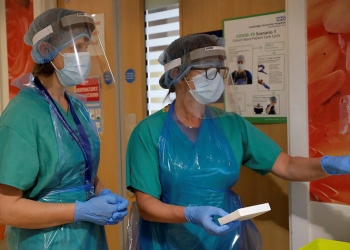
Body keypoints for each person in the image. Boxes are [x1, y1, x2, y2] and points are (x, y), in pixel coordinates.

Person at [125, 33, 350, 250]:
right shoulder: (148, 132)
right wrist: (191, 214)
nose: (215, 77)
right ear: (177, 73)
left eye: (219, 70)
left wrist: (327, 165)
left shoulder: (231, 125)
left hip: (225, 238)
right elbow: (146, 206)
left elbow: (287, 165)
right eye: (206, 70)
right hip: (168, 241)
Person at [0, 8, 128, 250]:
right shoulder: (22, 115)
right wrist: (80, 211)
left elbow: (77, 168)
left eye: (85, 47)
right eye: (75, 48)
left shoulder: (76, 107)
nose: (83, 56)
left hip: (88, 239)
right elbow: (5, 209)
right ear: (47, 51)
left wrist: (102, 193)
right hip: (45, 243)